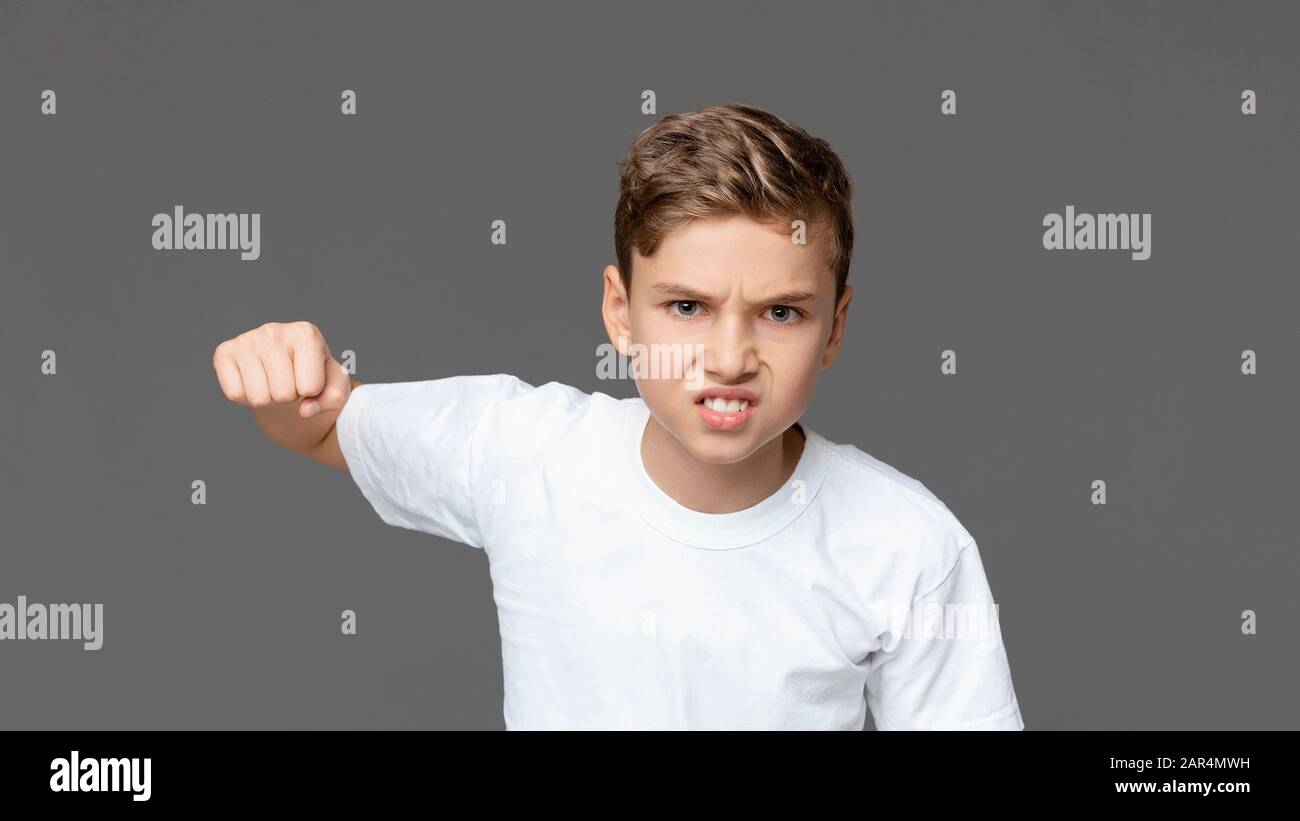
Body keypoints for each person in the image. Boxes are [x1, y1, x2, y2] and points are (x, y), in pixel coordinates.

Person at [212, 103, 1024, 731]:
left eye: (781, 313)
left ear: (836, 326)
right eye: (686, 306)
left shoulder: (908, 546)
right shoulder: (522, 452)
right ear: (621, 312)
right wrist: (288, 381)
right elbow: (324, 424)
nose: (730, 355)